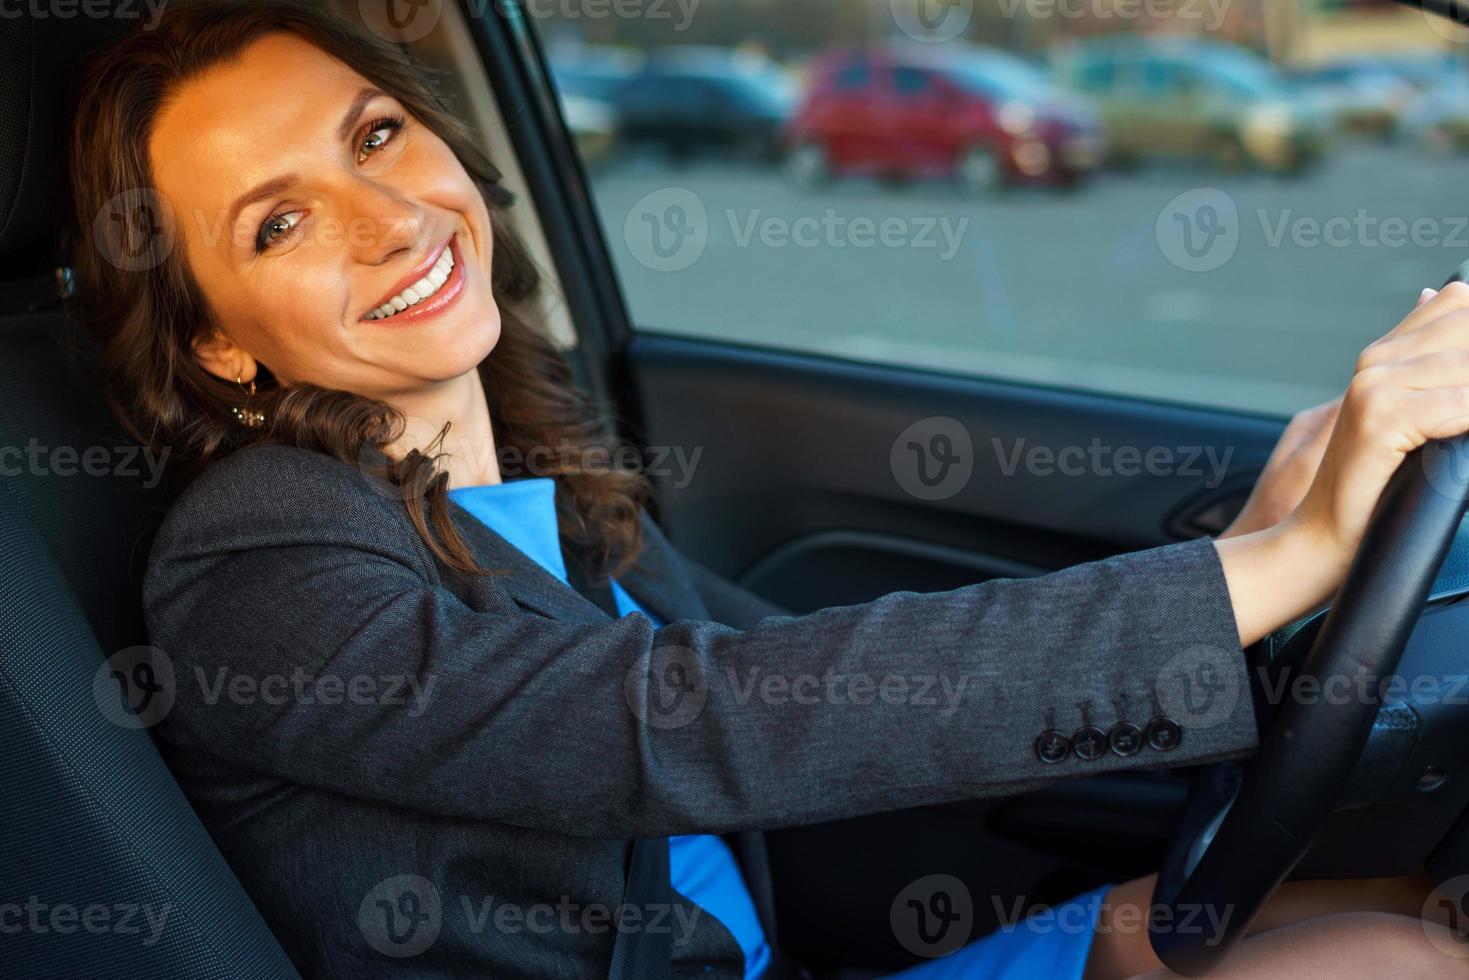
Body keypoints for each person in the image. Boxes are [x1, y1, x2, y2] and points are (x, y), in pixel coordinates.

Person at [61, 1, 1469, 976]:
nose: (384, 221)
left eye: (373, 136)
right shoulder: (250, 570)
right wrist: (1286, 563)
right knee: (1399, 963)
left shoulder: (535, 482)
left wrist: (1241, 546)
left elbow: (841, 681)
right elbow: (705, 719)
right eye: (280, 221)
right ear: (216, 338)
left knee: (1419, 908)